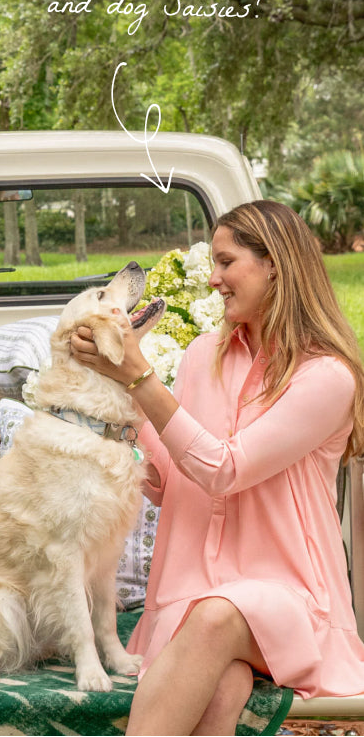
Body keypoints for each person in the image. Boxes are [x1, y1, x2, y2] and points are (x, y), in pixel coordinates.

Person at [71, 200, 364, 735]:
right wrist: (120, 398)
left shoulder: (327, 377)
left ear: (274, 263)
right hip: (189, 604)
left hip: (292, 603)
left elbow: (224, 470)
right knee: (223, 683)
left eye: (226, 262)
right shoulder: (201, 354)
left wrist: (141, 379)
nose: (213, 279)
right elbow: (171, 480)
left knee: (216, 616)